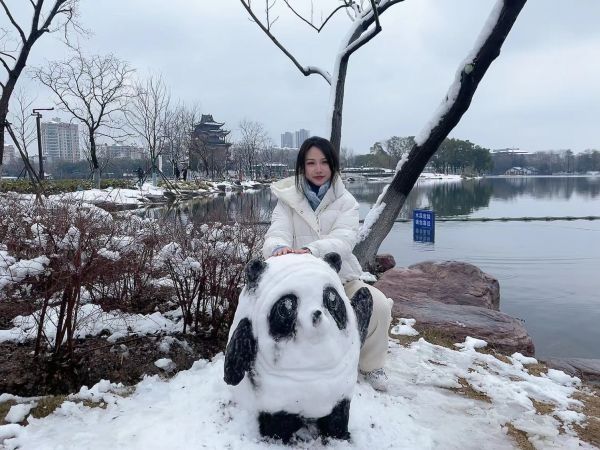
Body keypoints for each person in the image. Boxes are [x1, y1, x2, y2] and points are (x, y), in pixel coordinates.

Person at [262, 136, 393, 391]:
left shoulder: (347, 203)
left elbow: (344, 240)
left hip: (340, 278)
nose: (318, 169)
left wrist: (310, 251)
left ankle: (371, 364)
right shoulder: (286, 201)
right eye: (311, 163)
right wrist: (278, 249)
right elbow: (276, 232)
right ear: (302, 168)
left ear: (333, 166)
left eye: (324, 162)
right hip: (299, 282)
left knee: (377, 304)